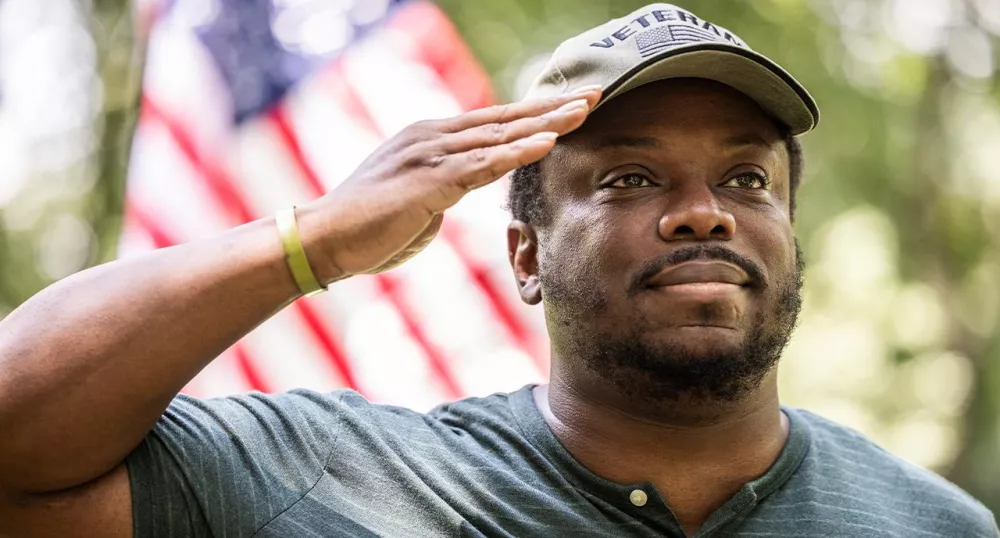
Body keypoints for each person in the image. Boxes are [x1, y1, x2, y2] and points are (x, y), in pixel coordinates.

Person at [0, 3, 996, 537]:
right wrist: (312, 241)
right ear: (524, 253)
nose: (702, 210)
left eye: (745, 176)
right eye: (629, 177)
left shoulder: (934, 525)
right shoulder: (316, 475)